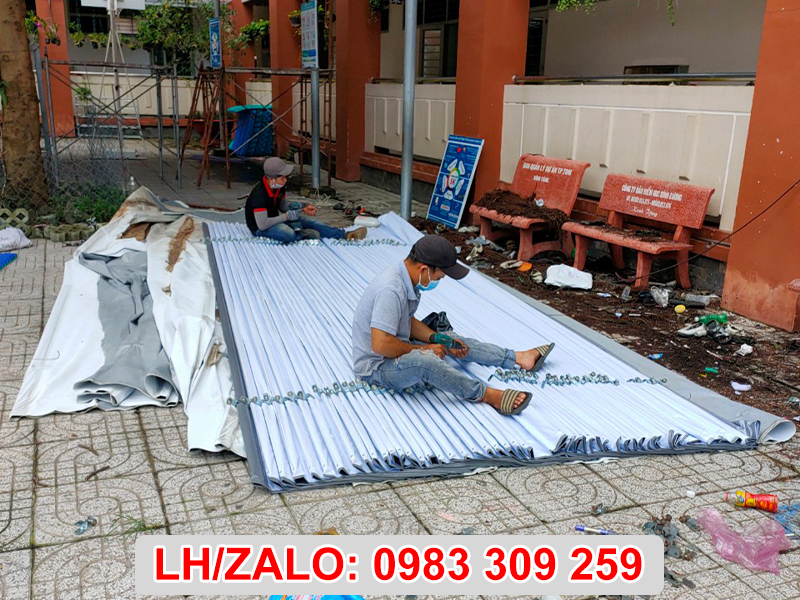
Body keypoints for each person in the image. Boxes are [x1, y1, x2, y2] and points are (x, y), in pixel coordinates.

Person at [352, 235, 555, 416]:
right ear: (424, 269)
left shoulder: (407, 279)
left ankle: (517, 357)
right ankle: (486, 394)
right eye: (439, 277)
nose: (438, 281)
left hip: (394, 346)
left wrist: (438, 339)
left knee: (450, 339)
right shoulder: (391, 290)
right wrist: (423, 350)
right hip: (378, 368)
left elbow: (406, 320)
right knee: (424, 361)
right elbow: (381, 344)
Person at [245, 157, 367, 243]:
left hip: (275, 220)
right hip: (260, 228)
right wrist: (286, 217)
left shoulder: (278, 186)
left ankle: (345, 235)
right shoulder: (259, 195)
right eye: (282, 178)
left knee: (310, 222)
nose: (285, 180)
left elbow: (282, 205)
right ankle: (301, 234)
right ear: (271, 179)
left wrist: (302, 207)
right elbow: (262, 225)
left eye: (286, 177)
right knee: (287, 233)